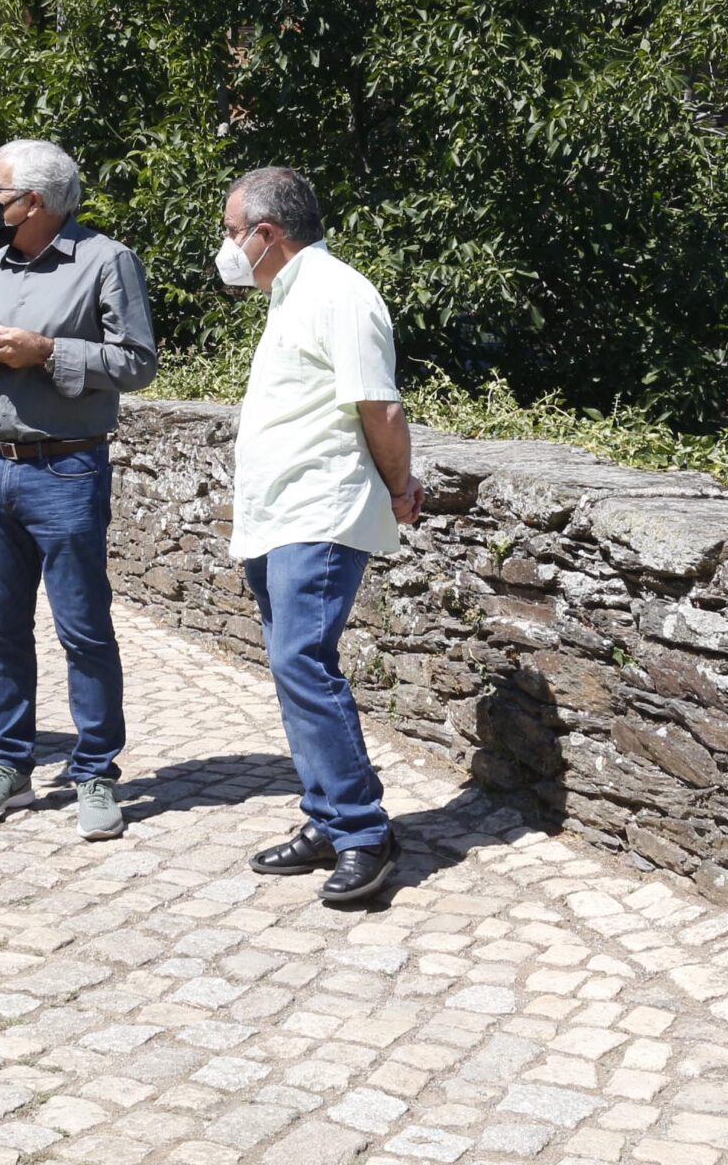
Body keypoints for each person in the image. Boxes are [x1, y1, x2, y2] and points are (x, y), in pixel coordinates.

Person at [0, 140, 157, 842]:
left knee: (83, 629)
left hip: (66, 469)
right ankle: (8, 764)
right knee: (0, 630)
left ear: (36, 201)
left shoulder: (105, 260)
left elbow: (137, 362)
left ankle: (94, 771)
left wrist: (49, 353)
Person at [219, 167, 421, 905]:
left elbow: (381, 409)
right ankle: (328, 819)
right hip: (281, 516)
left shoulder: (340, 294)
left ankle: (365, 833)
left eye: (232, 231)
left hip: (322, 514)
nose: (227, 245)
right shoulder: (292, 295)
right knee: (290, 665)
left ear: (266, 234)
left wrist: (400, 491)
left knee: (303, 661)